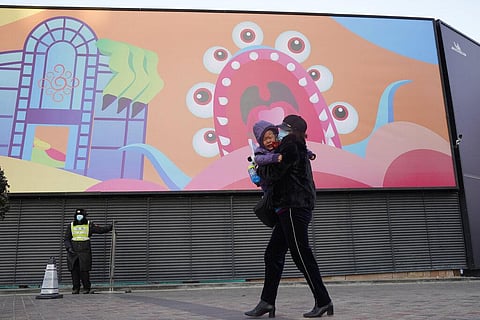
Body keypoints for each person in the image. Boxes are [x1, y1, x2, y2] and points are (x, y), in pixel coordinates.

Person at [245, 115, 333, 318]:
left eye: (283, 129)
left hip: (294, 206)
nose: (279, 132)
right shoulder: (296, 146)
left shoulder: (291, 146)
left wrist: (258, 169)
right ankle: (267, 302)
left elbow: (274, 174)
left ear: (292, 131)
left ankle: (323, 300)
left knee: (301, 254)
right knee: (273, 254)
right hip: (290, 207)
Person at [64, 208, 113, 294]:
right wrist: (69, 248)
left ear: (84, 216)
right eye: (78, 215)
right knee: (74, 270)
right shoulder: (71, 225)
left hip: (84, 250)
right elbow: (66, 238)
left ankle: (86, 288)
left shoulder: (89, 224)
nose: (79, 217)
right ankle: (76, 288)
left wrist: (110, 227)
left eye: (81, 215)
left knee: (84, 270)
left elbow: (100, 230)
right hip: (73, 251)